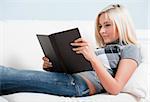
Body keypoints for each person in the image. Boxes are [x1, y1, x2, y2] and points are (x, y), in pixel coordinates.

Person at [0, 4, 142, 97]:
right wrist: (52, 66)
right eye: (99, 26)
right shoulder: (101, 49)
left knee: (6, 73)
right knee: (8, 82)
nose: (102, 31)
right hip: (70, 79)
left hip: (80, 84)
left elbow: (115, 88)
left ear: (121, 24)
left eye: (107, 25)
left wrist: (92, 58)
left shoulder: (131, 49)